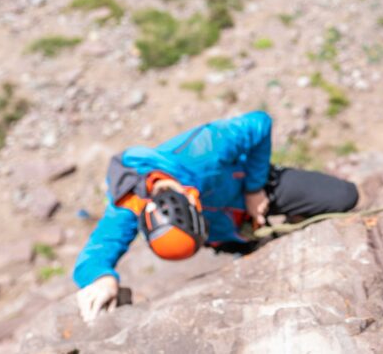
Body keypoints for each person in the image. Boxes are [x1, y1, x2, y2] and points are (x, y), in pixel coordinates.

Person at [73, 111, 359, 322]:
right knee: (251, 254)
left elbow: (259, 122)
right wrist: (100, 278)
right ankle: (247, 245)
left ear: (192, 198)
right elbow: (95, 253)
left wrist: (254, 189)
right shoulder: (130, 201)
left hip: (254, 191)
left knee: (344, 197)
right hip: (228, 234)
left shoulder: (202, 150)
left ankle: (290, 220)